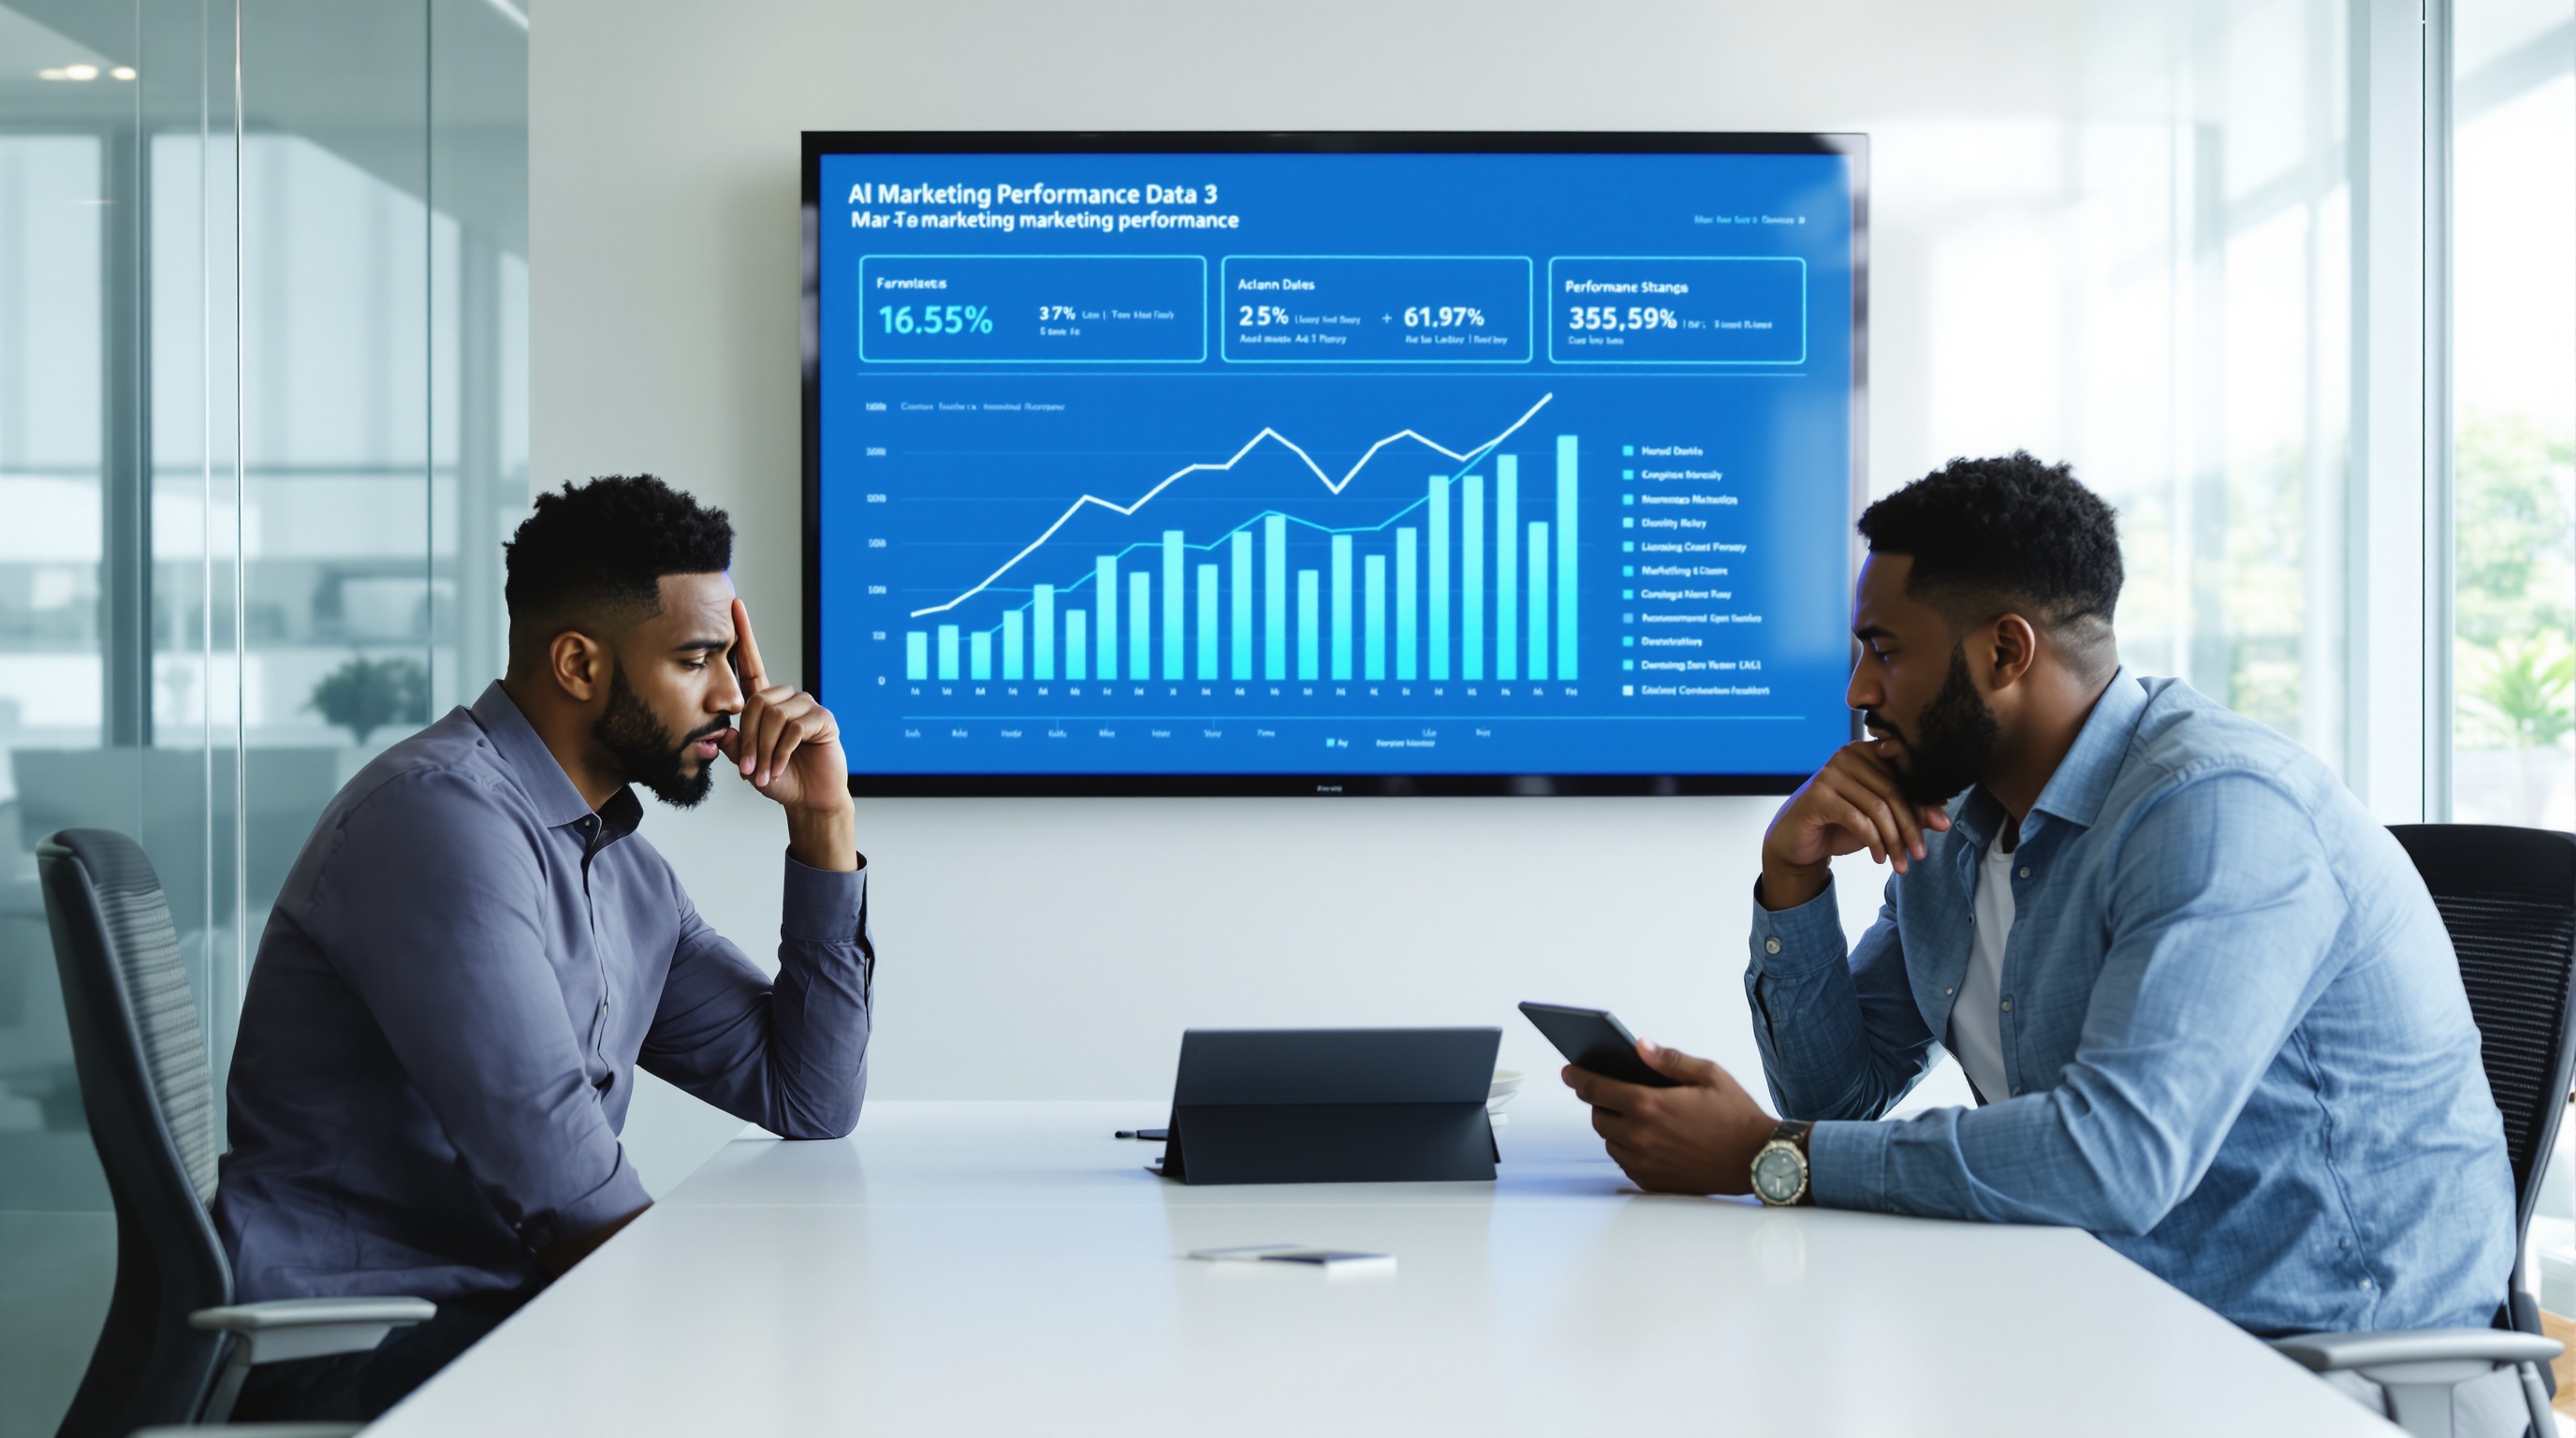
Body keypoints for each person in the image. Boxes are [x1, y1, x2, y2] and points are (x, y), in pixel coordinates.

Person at [1561, 453, 2514, 1343]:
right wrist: (1792, 874)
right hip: (2105, 1325)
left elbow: (2115, 1159)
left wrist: (1770, 1157)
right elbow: (1836, 1098)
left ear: (2004, 653)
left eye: (1883, 652)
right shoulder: (1958, 821)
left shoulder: (2215, 813)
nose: (1856, 689)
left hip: (2316, 1369)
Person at [215, 475, 873, 1420]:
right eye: (698, 659)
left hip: (505, 1311)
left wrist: (824, 820)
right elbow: (567, 1196)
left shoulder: (618, 865)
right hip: (362, 1340)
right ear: (578, 665)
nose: (735, 695)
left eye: (730, 659)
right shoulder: (438, 820)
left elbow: (808, 1096)